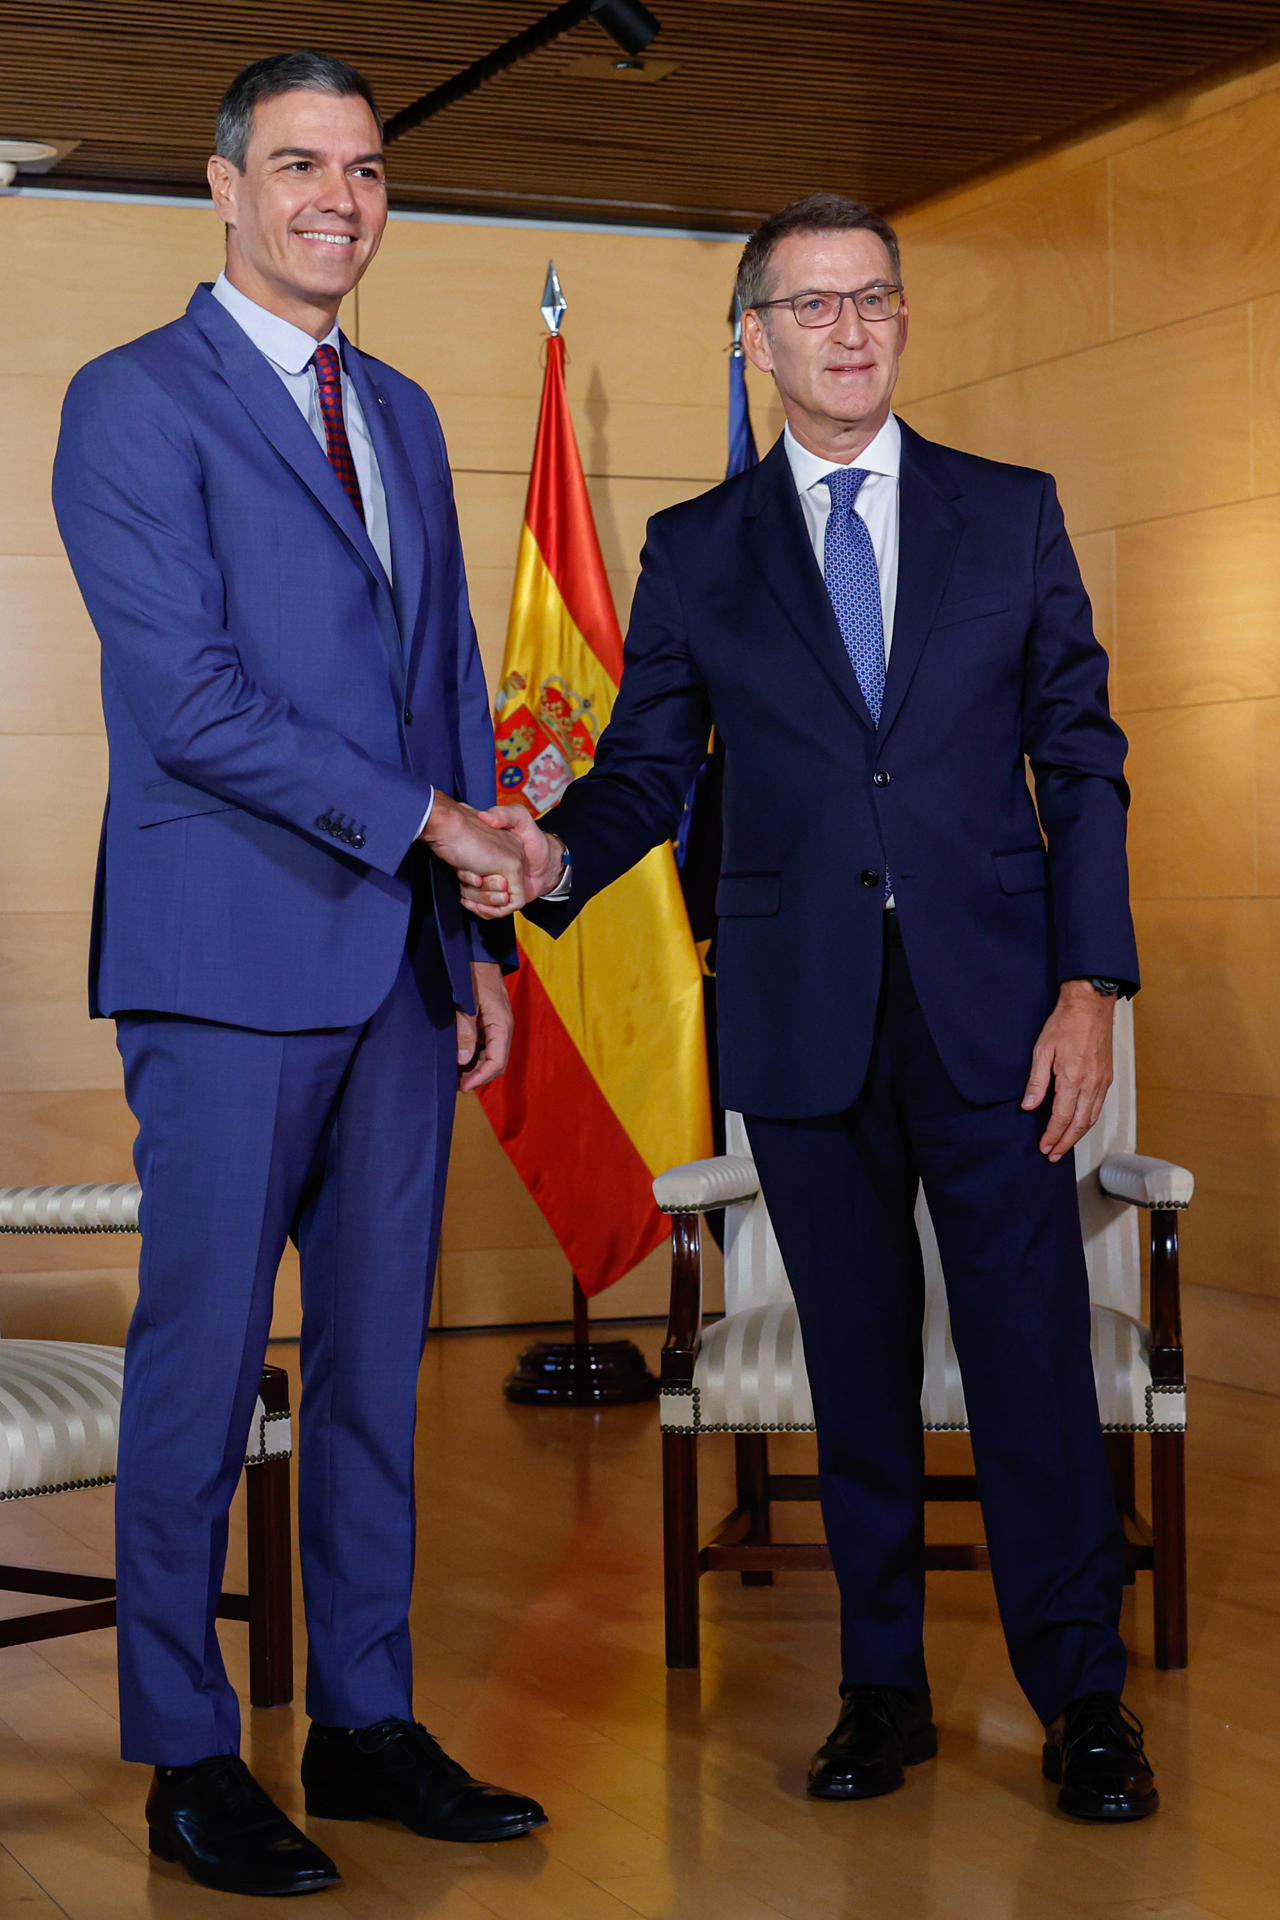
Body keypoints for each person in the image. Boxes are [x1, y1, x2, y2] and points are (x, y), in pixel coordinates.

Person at [465, 192, 1158, 1823]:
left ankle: (1086, 1703)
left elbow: (1086, 761)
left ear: (901, 322)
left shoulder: (1013, 513)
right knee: (854, 1367)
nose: (849, 332)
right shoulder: (701, 550)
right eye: (814, 307)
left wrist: (1092, 982)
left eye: (875, 302)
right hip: (802, 1012)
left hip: (1000, 1018)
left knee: (1031, 1365)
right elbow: (650, 773)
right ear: (756, 338)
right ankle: (882, 1692)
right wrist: (545, 853)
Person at [53, 51, 544, 1899]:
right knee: (201, 1367)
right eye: (299, 165)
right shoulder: (130, 403)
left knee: (370, 1371)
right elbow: (188, 706)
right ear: (223, 186)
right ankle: (187, 1749)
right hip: (221, 959)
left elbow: (431, 689)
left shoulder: (405, 408)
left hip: (400, 970)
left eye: (365, 167)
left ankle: (362, 1722)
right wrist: (431, 825)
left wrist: (473, 930)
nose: (339, 196)